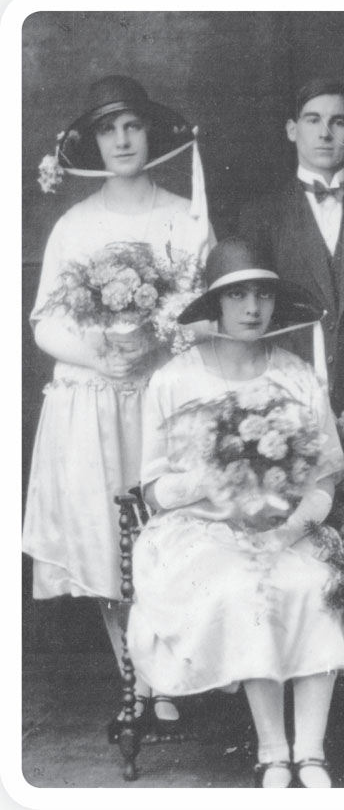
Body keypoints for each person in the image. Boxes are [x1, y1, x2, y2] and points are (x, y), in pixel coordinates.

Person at [23, 74, 213, 735]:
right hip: (91, 404)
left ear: (149, 131)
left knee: (164, 530)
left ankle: (168, 669)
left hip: (159, 399)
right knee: (107, 540)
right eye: (110, 129)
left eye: (132, 125)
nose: (124, 139)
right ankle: (136, 676)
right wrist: (99, 353)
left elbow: (206, 314)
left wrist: (159, 342)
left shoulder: (182, 217)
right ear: (94, 141)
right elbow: (43, 321)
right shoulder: (75, 225)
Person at [125, 239, 344, 788]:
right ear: (215, 305)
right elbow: (152, 491)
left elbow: (323, 482)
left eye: (263, 295)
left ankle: (311, 752)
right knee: (247, 588)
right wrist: (218, 475)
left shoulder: (296, 376)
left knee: (319, 583)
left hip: (282, 526)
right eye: (238, 295)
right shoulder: (175, 379)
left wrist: (289, 530)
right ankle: (273, 752)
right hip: (195, 530)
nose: (253, 308)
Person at [238, 77, 344, 454]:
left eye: (338, 122)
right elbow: (251, 319)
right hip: (286, 413)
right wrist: (297, 401)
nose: (325, 133)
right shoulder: (261, 218)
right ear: (291, 129)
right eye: (313, 120)